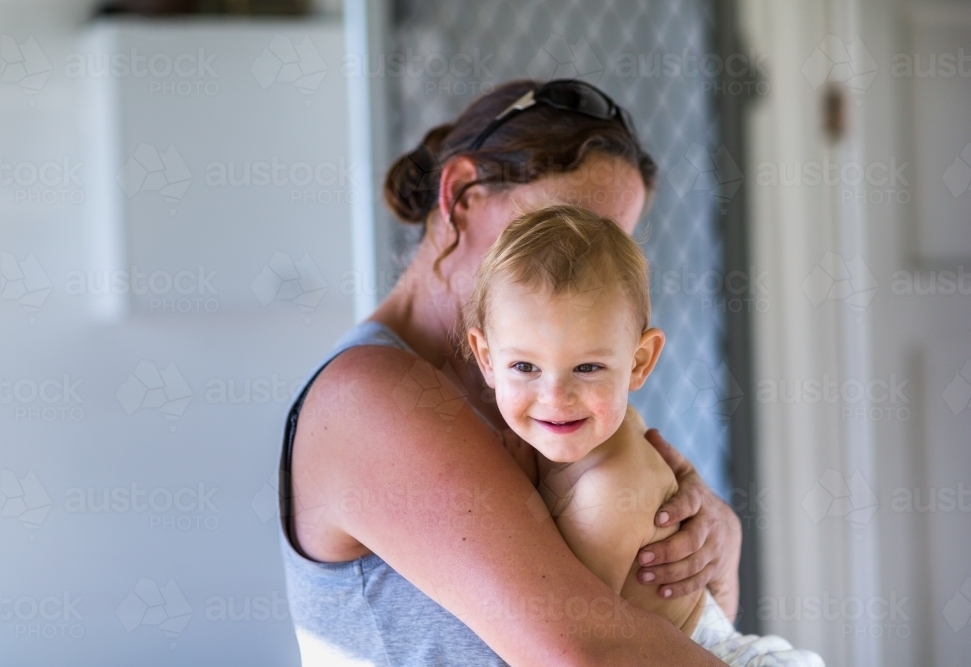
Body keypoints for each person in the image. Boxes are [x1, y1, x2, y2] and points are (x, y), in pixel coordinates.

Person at [278, 79, 743, 666]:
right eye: (555, 231)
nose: (578, 274)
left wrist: (713, 546)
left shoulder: (551, 407)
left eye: (608, 246)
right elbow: (588, 651)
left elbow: (676, 630)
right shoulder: (371, 396)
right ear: (460, 195)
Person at [465, 204, 825, 666]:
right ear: (486, 358)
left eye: (588, 367)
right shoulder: (588, 437)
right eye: (525, 367)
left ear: (639, 362)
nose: (555, 397)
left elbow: (563, 644)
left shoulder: (608, 491)